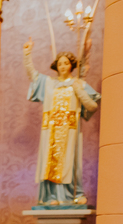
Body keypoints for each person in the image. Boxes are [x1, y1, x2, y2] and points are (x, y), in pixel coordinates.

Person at [24, 37, 100, 206]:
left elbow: (92, 106)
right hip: (50, 130)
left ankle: (73, 195)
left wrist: (79, 91)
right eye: (60, 63)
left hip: (69, 129)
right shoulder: (48, 83)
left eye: (66, 63)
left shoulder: (78, 83)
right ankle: (51, 197)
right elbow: (32, 75)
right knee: (50, 162)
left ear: (71, 65)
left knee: (70, 164)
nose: (63, 66)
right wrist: (27, 53)